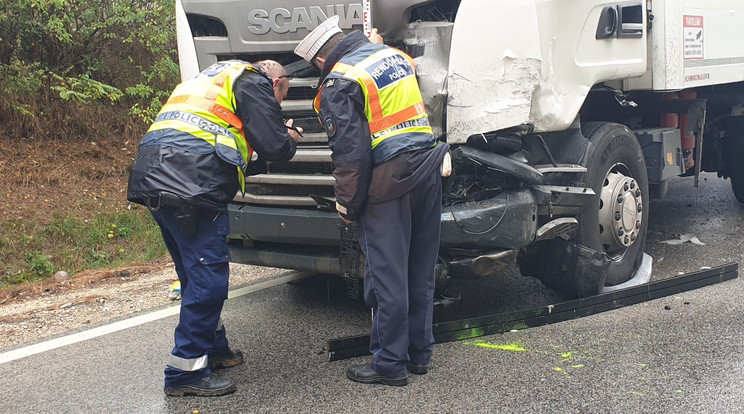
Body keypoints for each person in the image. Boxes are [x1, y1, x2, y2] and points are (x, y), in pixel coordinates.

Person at [127, 59, 301, 397]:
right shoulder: (253, 82)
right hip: (191, 188)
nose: (277, 101)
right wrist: (289, 135)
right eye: (281, 95)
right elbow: (277, 147)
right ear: (278, 82)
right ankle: (185, 374)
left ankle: (214, 348)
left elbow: (220, 150)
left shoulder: (208, 82)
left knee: (194, 277)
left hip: (155, 178)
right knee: (207, 281)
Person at [295, 17, 449, 386]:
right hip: (427, 167)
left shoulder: (338, 82)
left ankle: (389, 364)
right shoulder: (390, 56)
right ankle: (417, 354)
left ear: (320, 60)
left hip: (389, 180)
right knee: (419, 267)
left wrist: (347, 207)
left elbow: (350, 156)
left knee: (387, 275)